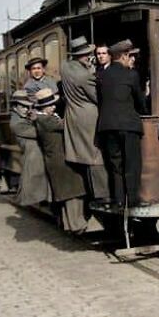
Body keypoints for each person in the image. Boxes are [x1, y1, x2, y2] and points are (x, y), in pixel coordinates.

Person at [97, 39, 147, 209]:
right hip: (128, 125)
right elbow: (140, 102)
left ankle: (119, 200)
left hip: (108, 126)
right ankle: (132, 200)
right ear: (124, 56)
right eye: (130, 56)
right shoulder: (131, 75)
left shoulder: (102, 75)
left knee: (115, 165)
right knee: (131, 164)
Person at [60, 36, 110, 202]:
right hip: (88, 117)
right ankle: (102, 194)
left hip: (72, 115)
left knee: (82, 155)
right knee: (95, 156)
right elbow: (99, 97)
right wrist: (92, 70)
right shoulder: (84, 76)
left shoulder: (65, 68)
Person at [33, 88, 89, 233]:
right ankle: (76, 224)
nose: (53, 106)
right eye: (50, 105)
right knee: (72, 192)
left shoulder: (45, 118)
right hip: (60, 160)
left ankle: (69, 224)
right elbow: (67, 125)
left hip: (57, 160)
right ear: (42, 107)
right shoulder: (46, 120)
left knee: (68, 192)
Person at [9, 90, 52, 206]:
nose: (26, 109)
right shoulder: (16, 123)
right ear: (15, 106)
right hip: (33, 153)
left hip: (36, 151)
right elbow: (37, 132)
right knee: (36, 180)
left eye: (27, 106)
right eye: (22, 106)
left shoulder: (23, 117)